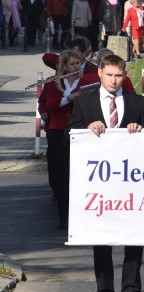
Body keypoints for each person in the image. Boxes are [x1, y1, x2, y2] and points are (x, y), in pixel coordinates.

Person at [66, 54, 144, 292]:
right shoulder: (86, 101)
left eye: (119, 76)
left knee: (133, 240)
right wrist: (86, 127)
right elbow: (72, 132)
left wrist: (141, 128)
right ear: (100, 73)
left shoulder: (136, 102)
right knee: (101, 240)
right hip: (99, 185)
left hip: (130, 183)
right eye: (110, 75)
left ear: (124, 76)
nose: (114, 81)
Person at [39, 49, 84, 228]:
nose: (76, 67)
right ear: (64, 66)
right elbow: (48, 104)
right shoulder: (53, 83)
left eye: (78, 63)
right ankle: (64, 217)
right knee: (61, 176)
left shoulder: (86, 82)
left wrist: (67, 95)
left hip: (79, 131)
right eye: (72, 64)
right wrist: (67, 96)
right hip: (58, 130)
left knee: (78, 175)